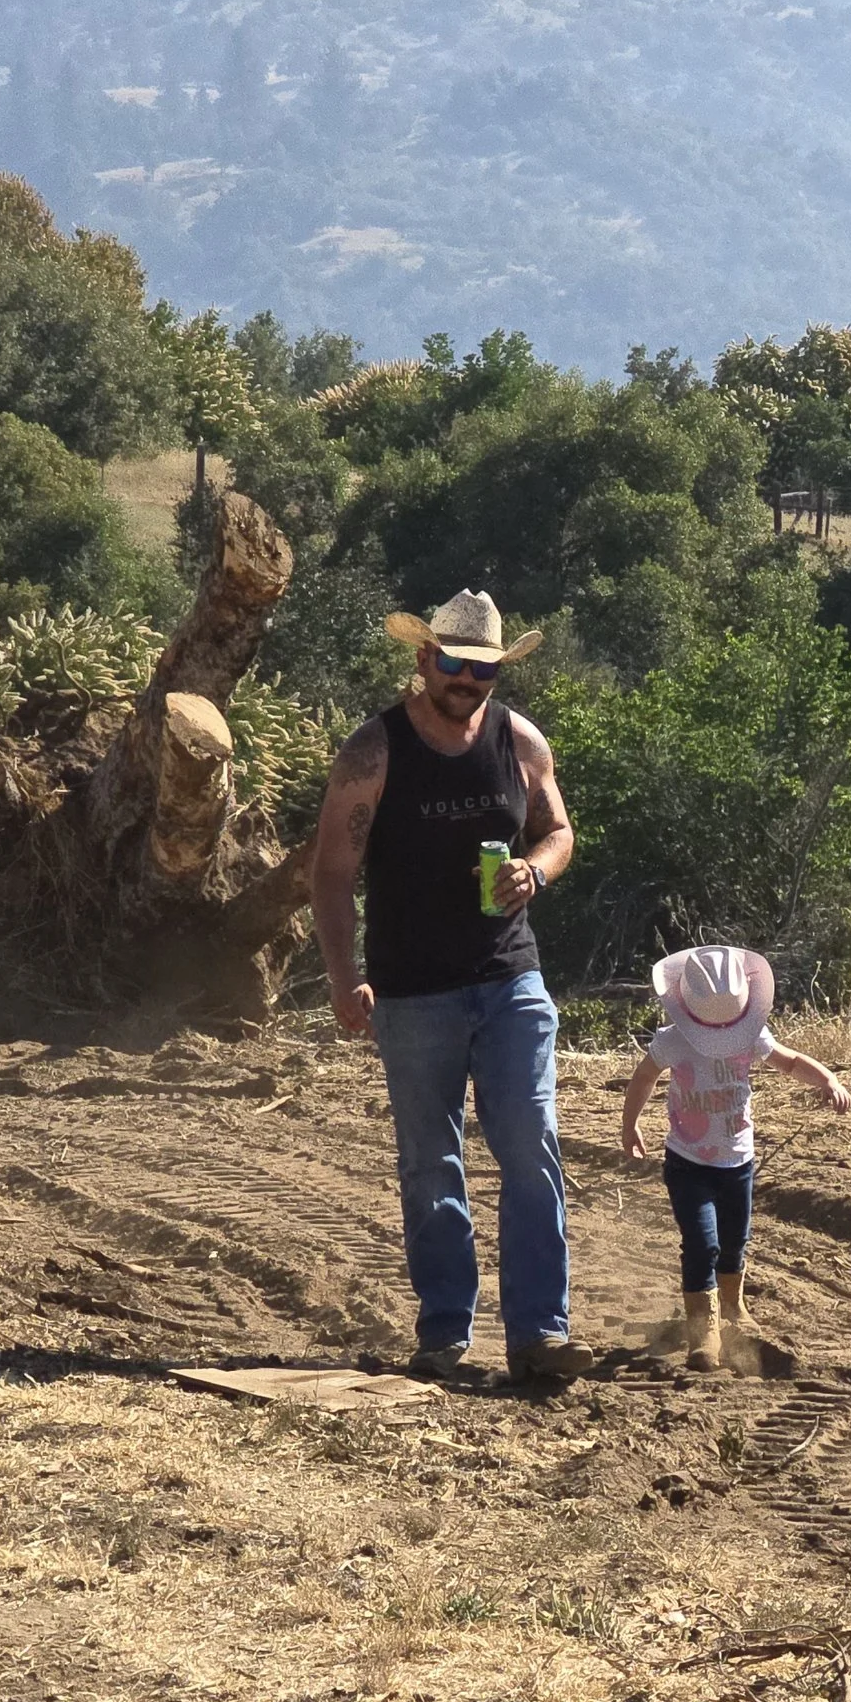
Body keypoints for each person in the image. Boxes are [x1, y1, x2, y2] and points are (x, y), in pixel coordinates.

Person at [308, 587, 586, 1386]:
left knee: (531, 1144)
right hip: (412, 992)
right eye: (457, 664)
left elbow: (557, 829)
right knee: (432, 1163)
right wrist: (343, 976)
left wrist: (535, 869)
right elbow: (331, 873)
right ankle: (444, 1335)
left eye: (485, 669)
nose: (469, 681)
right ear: (425, 658)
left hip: (510, 979)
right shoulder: (374, 751)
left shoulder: (520, 741)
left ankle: (541, 1332)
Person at [619, 945, 851, 1370]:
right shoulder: (673, 1040)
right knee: (701, 1243)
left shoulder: (751, 1036)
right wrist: (629, 1122)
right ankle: (701, 1328)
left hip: (738, 1163)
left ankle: (732, 1306)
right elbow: (644, 1076)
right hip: (687, 1163)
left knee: (734, 1242)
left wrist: (827, 1079)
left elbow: (790, 1061)